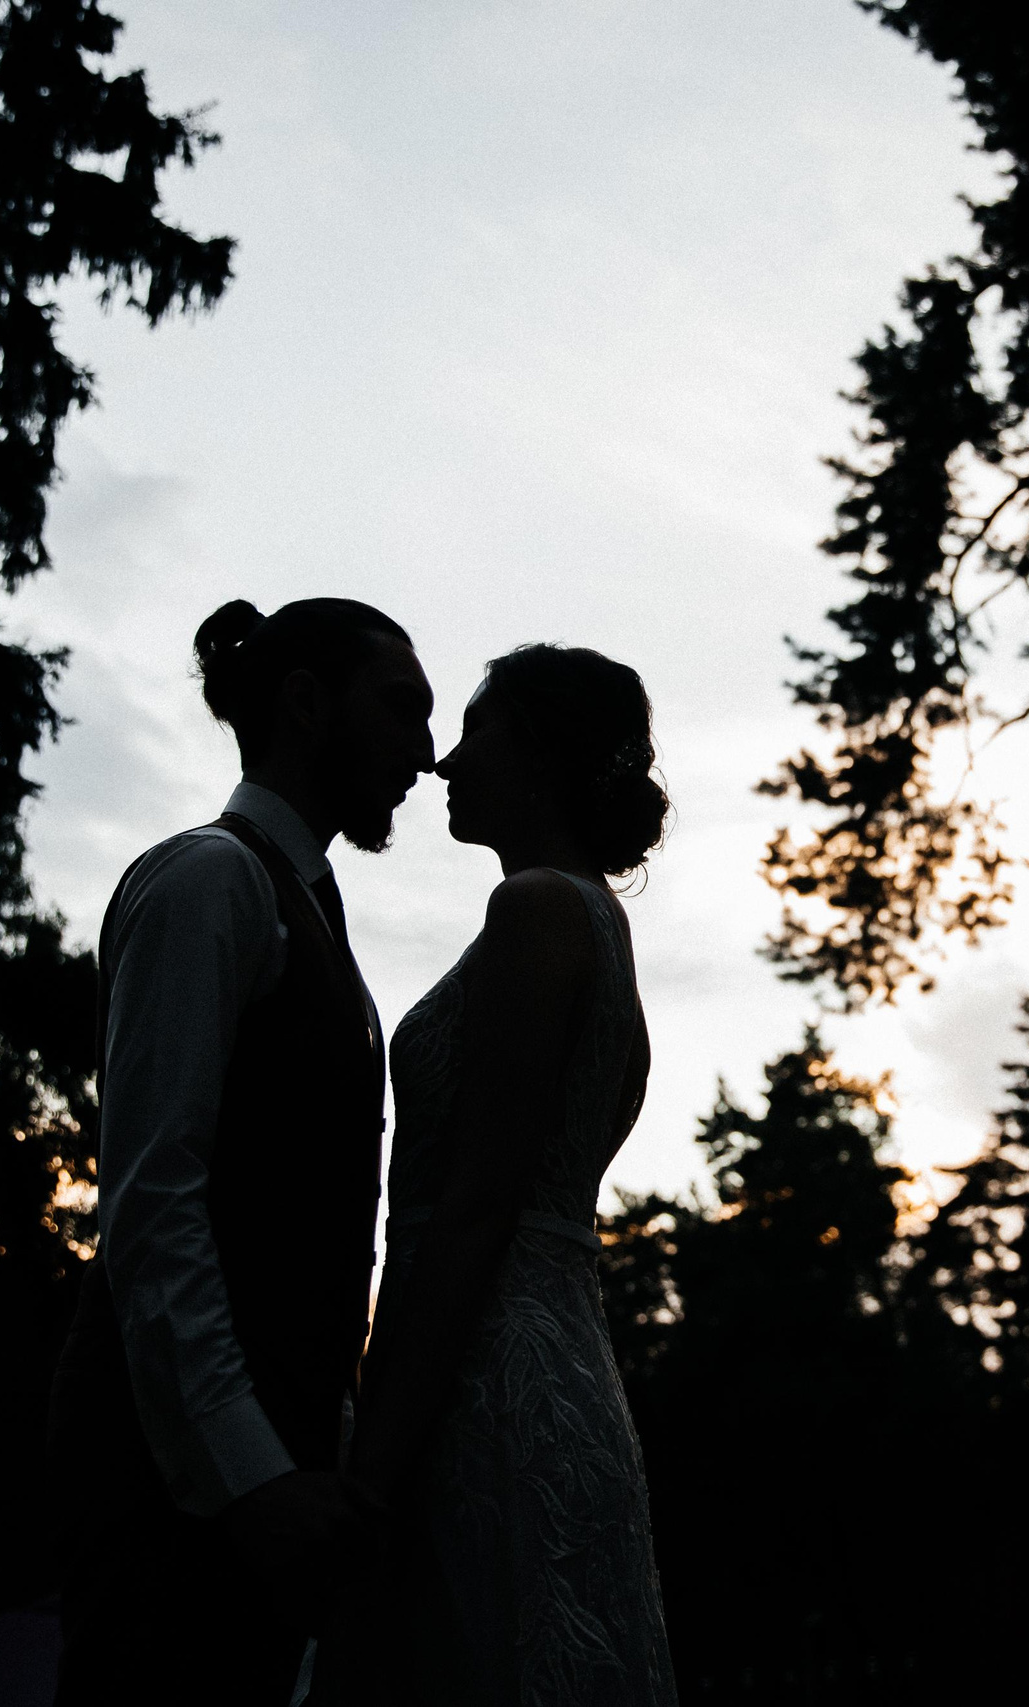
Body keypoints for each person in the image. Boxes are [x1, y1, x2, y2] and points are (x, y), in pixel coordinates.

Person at [49, 597, 437, 1706]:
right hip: (170, 1488)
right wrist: (250, 1475)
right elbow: (151, 1199)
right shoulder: (210, 881)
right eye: (400, 710)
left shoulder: (308, 907)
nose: (426, 749)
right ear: (308, 705)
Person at [319, 644, 676, 1706]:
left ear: (536, 751)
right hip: (563, 1360)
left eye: (475, 733)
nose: (443, 764)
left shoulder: (537, 915)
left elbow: (473, 1213)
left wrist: (369, 1471)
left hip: (484, 1382)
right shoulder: (598, 925)